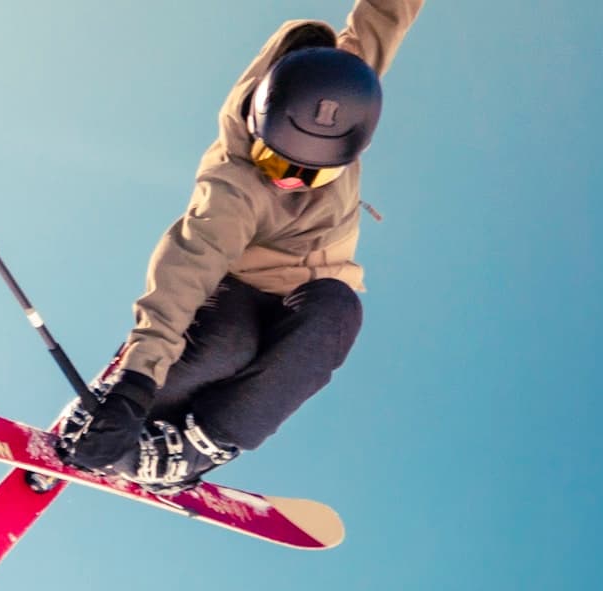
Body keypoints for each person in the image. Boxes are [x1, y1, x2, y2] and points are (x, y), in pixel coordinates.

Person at [61, 0, 426, 493]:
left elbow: (387, 13)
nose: (292, 182)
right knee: (226, 347)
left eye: (314, 173)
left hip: (314, 292)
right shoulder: (235, 180)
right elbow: (189, 265)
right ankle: (121, 415)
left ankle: (192, 449)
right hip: (238, 288)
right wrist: (133, 386)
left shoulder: (348, 81)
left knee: (337, 313)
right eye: (276, 164)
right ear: (258, 127)